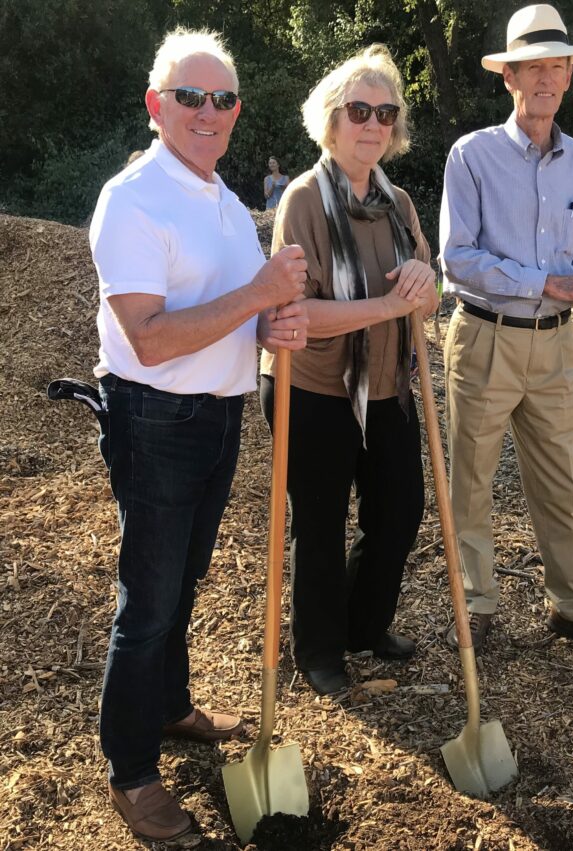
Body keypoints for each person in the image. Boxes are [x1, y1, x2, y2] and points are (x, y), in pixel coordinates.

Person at [89, 28, 308, 842]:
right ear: (157, 106)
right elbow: (148, 336)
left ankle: (171, 704)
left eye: (223, 99)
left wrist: (270, 324)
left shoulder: (220, 200)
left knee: (184, 582)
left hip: (217, 413)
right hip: (155, 416)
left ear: (236, 111)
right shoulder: (133, 198)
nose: (208, 112)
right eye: (190, 97)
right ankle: (132, 772)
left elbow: (231, 315)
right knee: (146, 601)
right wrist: (257, 293)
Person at [440, 4, 573, 665]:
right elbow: (457, 258)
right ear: (510, 79)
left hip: (555, 346)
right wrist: (547, 283)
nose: (546, 79)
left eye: (557, 66)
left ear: (568, 78)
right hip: (486, 339)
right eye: (533, 68)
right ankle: (477, 606)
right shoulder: (472, 156)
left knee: (564, 481)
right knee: (471, 479)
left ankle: (572, 607)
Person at [259, 44, 438, 696]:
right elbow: (296, 314)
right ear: (331, 120)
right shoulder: (302, 200)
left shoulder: (400, 204)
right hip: (311, 386)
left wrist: (425, 281)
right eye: (358, 109)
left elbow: (428, 294)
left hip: (387, 386)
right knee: (321, 522)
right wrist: (389, 302)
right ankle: (321, 650)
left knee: (399, 513)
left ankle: (365, 625)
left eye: (385, 113)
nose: (373, 123)